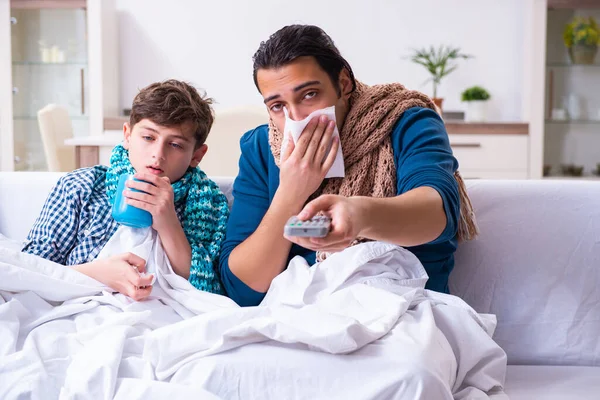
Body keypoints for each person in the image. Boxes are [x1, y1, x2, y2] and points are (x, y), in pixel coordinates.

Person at [219, 25, 477, 307]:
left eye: (309, 95)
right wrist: (290, 192)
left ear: (343, 84)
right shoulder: (260, 147)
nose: (296, 117)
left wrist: (359, 215)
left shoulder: (406, 121)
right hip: (300, 315)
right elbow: (243, 290)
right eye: (278, 106)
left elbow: (437, 215)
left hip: (407, 307)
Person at [22, 79, 230, 300]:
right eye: (148, 137)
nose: (157, 155)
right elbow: (28, 271)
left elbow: (213, 296)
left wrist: (169, 224)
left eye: (175, 144)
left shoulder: (211, 206)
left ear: (197, 156)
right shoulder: (81, 187)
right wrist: (96, 273)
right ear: (128, 136)